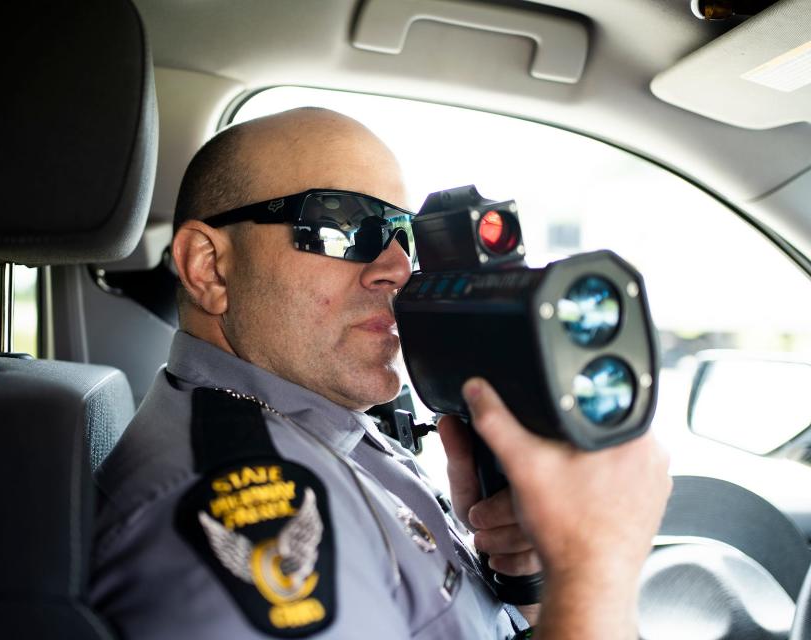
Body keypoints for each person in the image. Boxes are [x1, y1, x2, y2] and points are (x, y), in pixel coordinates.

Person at [90, 107, 672, 639]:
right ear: (209, 268)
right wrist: (596, 575)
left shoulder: (321, 423)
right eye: (346, 226)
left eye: (404, 234)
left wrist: (542, 587)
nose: (397, 267)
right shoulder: (243, 514)